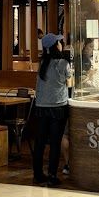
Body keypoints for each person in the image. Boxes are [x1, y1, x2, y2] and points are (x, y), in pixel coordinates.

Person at [32, 33, 73, 187]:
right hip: (58, 107)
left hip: (41, 107)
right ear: (56, 46)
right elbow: (69, 83)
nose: (61, 44)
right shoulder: (62, 63)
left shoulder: (42, 63)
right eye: (59, 42)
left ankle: (37, 174)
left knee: (40, 142)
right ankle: (52, 175)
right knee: (55, 142)